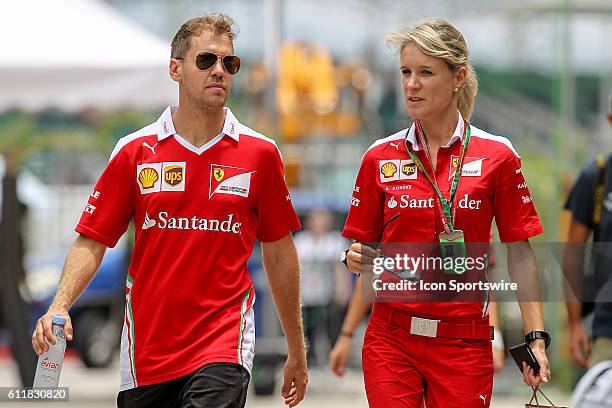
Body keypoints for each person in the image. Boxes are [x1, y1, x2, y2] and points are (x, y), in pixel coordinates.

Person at [31, 14, 308, 408]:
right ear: (175, 69)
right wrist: (59, 304)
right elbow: (92, 240)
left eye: (229, 63)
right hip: (146, 354)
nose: (219, 71)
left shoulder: (260, 153)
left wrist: (296, 347)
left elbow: (281, 253)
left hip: (223, 345)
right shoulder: (134, 150)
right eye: (206, 60)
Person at [341, 18, 550, 407]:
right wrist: (353, 257)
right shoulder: (379, 156)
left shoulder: (498, 155)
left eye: (425, 72)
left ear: (458, 77)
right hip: (391, 340)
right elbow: (359, 250)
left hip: (464, 343)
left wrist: (536, 337)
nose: (411, 84)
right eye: (406, 72)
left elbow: (520, 252)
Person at [563, 93, 612, 369]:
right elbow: (572, 254)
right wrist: (574, 324)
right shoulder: (596, 176)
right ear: (609, 119)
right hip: (607, 332)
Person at [294, 208, 349, 367]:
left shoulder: (335, 241)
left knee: (331, 328)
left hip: (327, 294)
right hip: (307, 295)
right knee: (307, 330)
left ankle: (334, 359)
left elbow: (340, 269)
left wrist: (342, 291)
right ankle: (308, 361)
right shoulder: (301, 241)